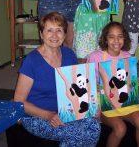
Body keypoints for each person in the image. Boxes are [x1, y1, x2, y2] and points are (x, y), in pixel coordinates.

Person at [14, 12, 100, 146]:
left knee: (94, 126)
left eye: (59, 30)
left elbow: (78, 86)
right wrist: (49, 115)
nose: (54, 35)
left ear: (65, 34)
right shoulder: (31, 61)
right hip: (37, 115)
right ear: (41, 34)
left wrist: (92, 107)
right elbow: (18, 101)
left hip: (66, 112)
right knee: (79, 132)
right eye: (49, 30)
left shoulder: (69, 54)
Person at [87, 21, 139, 147]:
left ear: (124, 38)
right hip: (105, 103)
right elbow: (88, 82)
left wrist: (135, 83)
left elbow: (128, 82)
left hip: (126, 102)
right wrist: (97, 91)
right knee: (120, 129)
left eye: (120, 36)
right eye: (111, 37)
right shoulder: (95, 57)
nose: (116, 40)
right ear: (105, 39)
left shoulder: (127, 56)